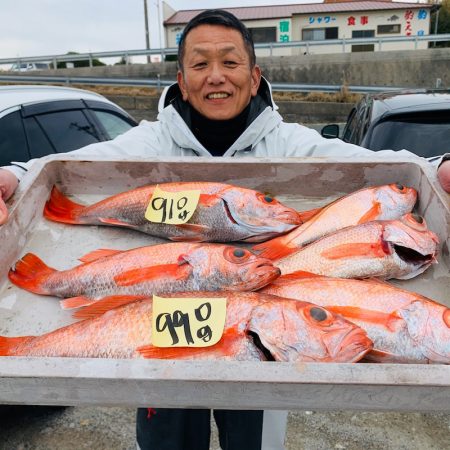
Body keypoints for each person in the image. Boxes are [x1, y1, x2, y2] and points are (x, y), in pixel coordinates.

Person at [0, 9, 449, 450]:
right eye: (200, 64)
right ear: (181, 80)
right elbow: (79, 162)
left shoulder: (291, 144)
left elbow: (373, 165)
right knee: (166, 437)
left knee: (253, 436)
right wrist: (17, 175)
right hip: (164, 336)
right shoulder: (149, 143)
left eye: (230, 62)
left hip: (263, 341)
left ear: (254, 77)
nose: (215, 75)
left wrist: (438, 166)